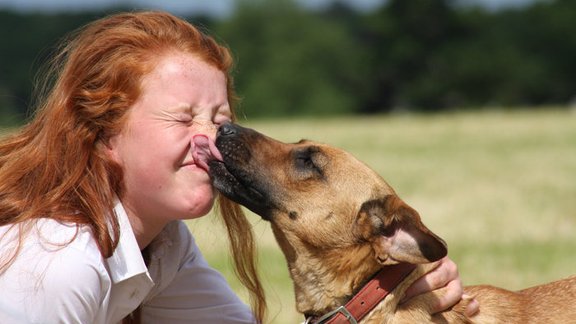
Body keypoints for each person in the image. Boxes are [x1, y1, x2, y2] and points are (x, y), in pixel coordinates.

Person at [0, 11, 477, 324]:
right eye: (183, 118)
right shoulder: (55, 264)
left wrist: (375, 306)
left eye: (220, 118)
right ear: (105, 135)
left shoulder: (163, 246)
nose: (211, 138)